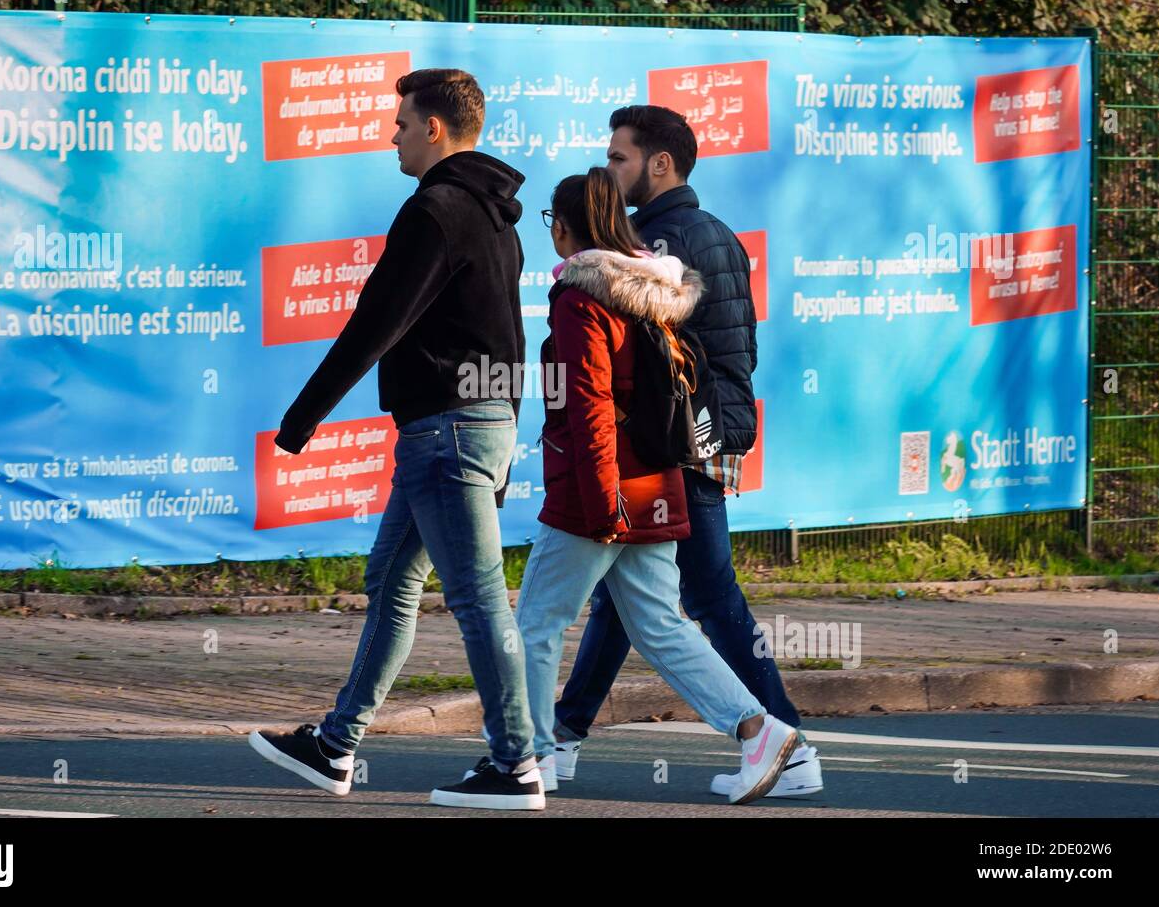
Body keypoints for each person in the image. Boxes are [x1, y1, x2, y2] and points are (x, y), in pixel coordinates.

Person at [248, 68, 544, 811]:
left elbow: (376, 322)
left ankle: (516, 764)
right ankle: (335, 745)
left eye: (403, 123)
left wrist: (302, 417)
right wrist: (503, 436)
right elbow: (507, 340)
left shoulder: (438, 211)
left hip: (447, 433)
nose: (393, 134)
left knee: (477, 600)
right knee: (392, 583)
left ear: (436, 129)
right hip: (469, 429)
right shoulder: (494, 217)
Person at [551, 106, 823, 799]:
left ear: (659, 164)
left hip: (680, 443)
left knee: (704, 595)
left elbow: (646, 363)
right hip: (703, 432)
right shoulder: (716, 233)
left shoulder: (658, 241)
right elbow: (740, 350)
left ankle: (785, 745)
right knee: (627, 599)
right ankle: (563, 737)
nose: (610, 171)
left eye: (619, 159)